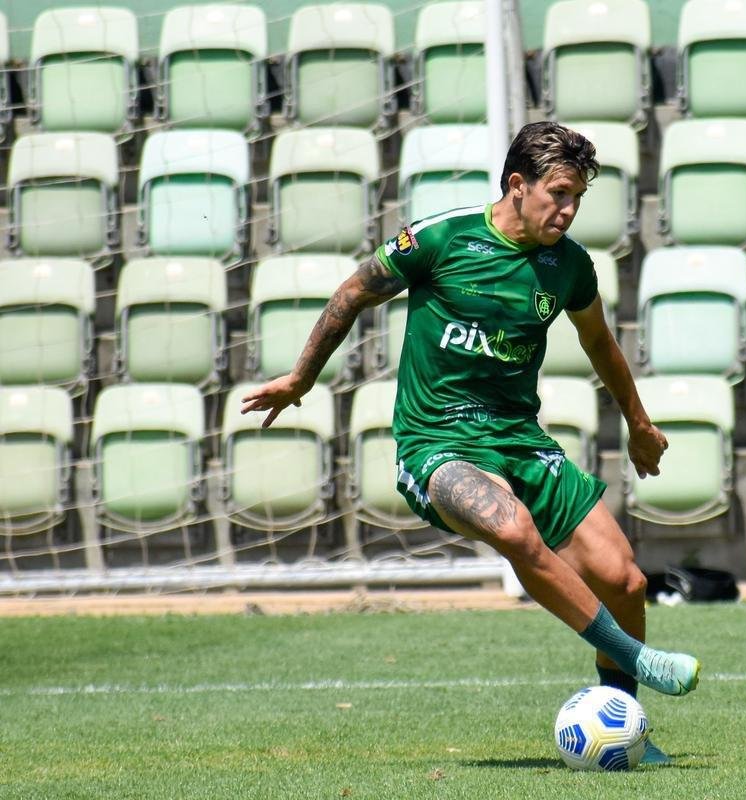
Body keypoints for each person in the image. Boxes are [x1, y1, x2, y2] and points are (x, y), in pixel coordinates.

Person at [241, 121, 699, 764]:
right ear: (518, 185)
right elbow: (351, 292)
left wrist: (639, 423)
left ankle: (624, 724)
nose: (567, 211)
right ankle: (638, 659)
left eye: (577, 200)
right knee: (512, 531)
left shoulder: (567, 265)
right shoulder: (442, 238)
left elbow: (600, 342)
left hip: (519, 438)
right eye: (558, 195)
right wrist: (299, 380)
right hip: (437, 444)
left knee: (624, 578)